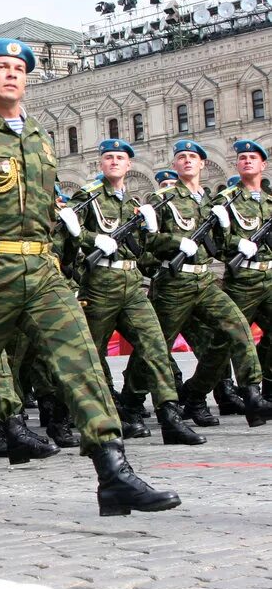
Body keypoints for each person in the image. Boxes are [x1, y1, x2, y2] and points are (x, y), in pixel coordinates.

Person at [0, 37, 180, 520]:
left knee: (81, 361)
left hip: (42, 269)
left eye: (19, 68)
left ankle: (112, 470)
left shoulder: (38, 137)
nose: (11, 74)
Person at [122, 140, 271, 428]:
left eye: (193, 157)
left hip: (204, 279)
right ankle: (130, 401)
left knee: (237, 327)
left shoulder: (211, 202)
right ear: (175, 164)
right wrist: (174, 241)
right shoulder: (161, 199)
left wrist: (228, 231)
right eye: (182, 157)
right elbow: (145, 242)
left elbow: (222, 245)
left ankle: (251, 393)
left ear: (203, 164)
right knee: (155, 347)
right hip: (173, 283)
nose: (188, 161)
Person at [74, 140, 203, 445]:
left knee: (155, 344)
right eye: (109, 157)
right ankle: (108, 413)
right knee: (93, 351)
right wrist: (94, 238)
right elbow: (69, 230)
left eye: (121, 158)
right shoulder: (88, 197)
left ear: (129, 165)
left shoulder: (132, 202)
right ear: (101, 164)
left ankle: (169, 415)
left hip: (132, 282)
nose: (115, 162)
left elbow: (143, 247)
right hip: (100, 282)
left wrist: (153, 232)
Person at [175, 140, 272, 428]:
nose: (246, 162)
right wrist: (235, 242)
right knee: (222, 346)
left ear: (262, 165)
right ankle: (197, 393)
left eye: (252, 158)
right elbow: (212, 242)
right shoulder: (224, 200)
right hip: (241, 280)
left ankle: (262, 391)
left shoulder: (269, 201)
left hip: (268, 275)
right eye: (241, 158)